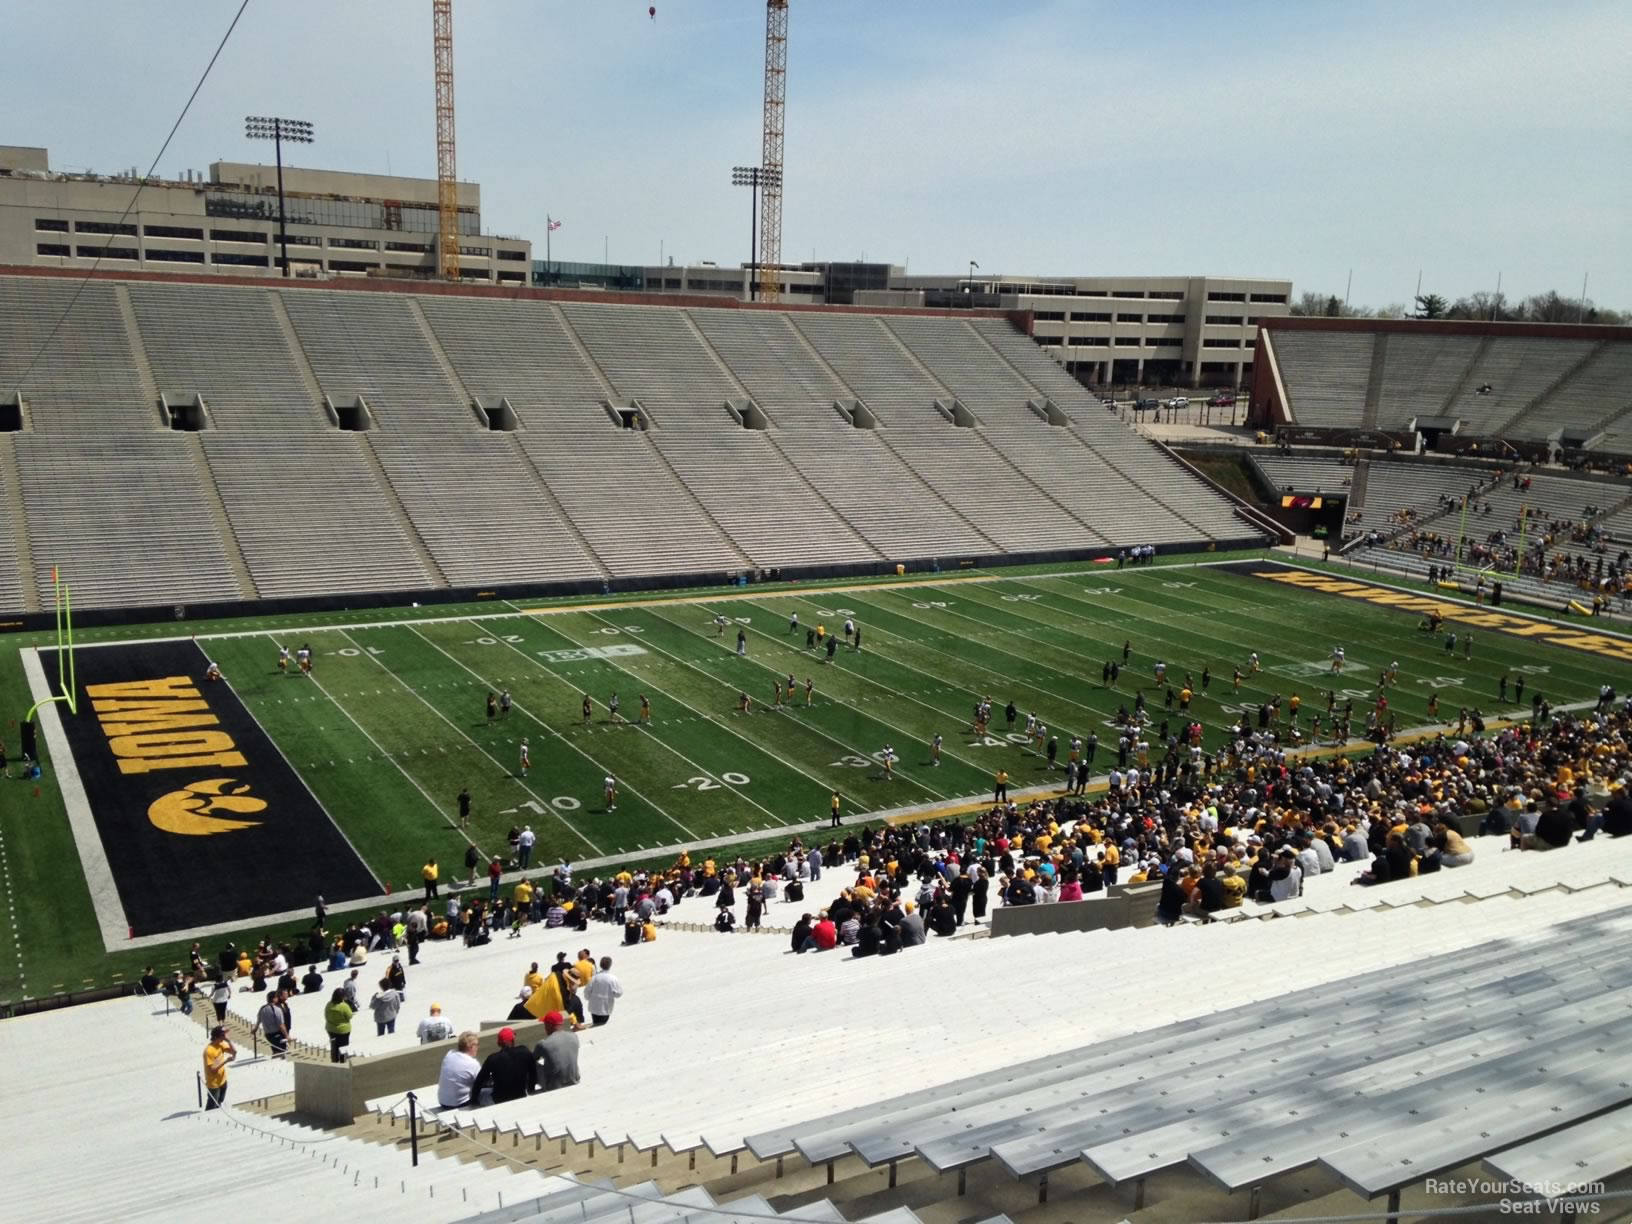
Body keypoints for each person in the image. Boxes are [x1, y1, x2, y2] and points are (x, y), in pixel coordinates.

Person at [472, 1027, 536, 1105]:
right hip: (521, 1096)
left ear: (499, 1044)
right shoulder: (525, 1051)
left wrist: (473, 1100)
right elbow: (533, 1073)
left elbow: (478, 1082)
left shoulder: (492, 1059)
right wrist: (531, 1089)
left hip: (498, 1100)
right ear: (513, 1040)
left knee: (481, 1092)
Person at [534, 1012, 582, 1091]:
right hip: (575, 1080)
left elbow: (533, 1059)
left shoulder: (543, 1043)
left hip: (553, 1086)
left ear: (549, 1025)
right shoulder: (574, 1036)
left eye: (545, 1024)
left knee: (531, 1064)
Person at [438, 1032, 482, 1108]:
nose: (478, 1047)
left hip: (443, 1102)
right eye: (477, 1044)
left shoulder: (449, 1054)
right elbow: (482, 1082)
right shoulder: (473, 1064)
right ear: (471, 1047)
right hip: (460, 1104)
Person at [202, 1026, 236, 1110]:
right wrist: (226, 1061)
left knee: (219, 1102)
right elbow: (212, 1070)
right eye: (223, 1035)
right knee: (212, 1106)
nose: (225, 1037)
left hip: (223, 1080)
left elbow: (234, 1052)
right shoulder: (208, 1051)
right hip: (214, 1084)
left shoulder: (221, 1044)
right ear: (216, 1037)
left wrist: (229, 1041)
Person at [583, 956, 622, 1026]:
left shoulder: (594, 978)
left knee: (596, 1024)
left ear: (600, 965)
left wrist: (589, 998)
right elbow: (619, 993)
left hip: (594, 1008)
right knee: (602, 1025)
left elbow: (587, 991)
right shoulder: (613, 978)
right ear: (610, 965)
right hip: (606, 1008)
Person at [257, 990, 289, 1058]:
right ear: (274, 999)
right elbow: (281, 1025)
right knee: (281, 1052)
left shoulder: (262, 1009)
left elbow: (259, 1019)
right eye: (277, 997)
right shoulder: (276, 1009)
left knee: (275, 1051)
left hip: (268, 1035)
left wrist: (255, 1028)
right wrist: (287, 1036)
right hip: (277, 1034)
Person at [324, 988, 353, 1063]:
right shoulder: (344, 1006)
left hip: (331, 1029)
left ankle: (335, 1061)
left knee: (334, 1046)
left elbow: (326, 1016)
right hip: (343, 1030)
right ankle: (343, 1061)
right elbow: (350, 1016)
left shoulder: (329, 1004)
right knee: (343, 1047)